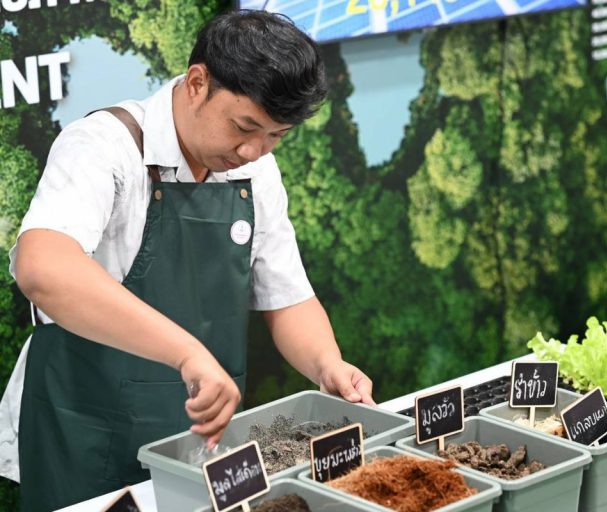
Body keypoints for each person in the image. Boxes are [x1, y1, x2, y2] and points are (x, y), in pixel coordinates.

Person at [0, 9, 374, 511]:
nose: (254, 150)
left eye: (276, 136)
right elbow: (43, 269)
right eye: (244, 126)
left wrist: (327, 365)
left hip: (196, 435)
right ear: (197, 83)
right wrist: (186, 353)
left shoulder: (256, 173)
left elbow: (286, 296)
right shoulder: (103, 146)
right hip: (84, 428)